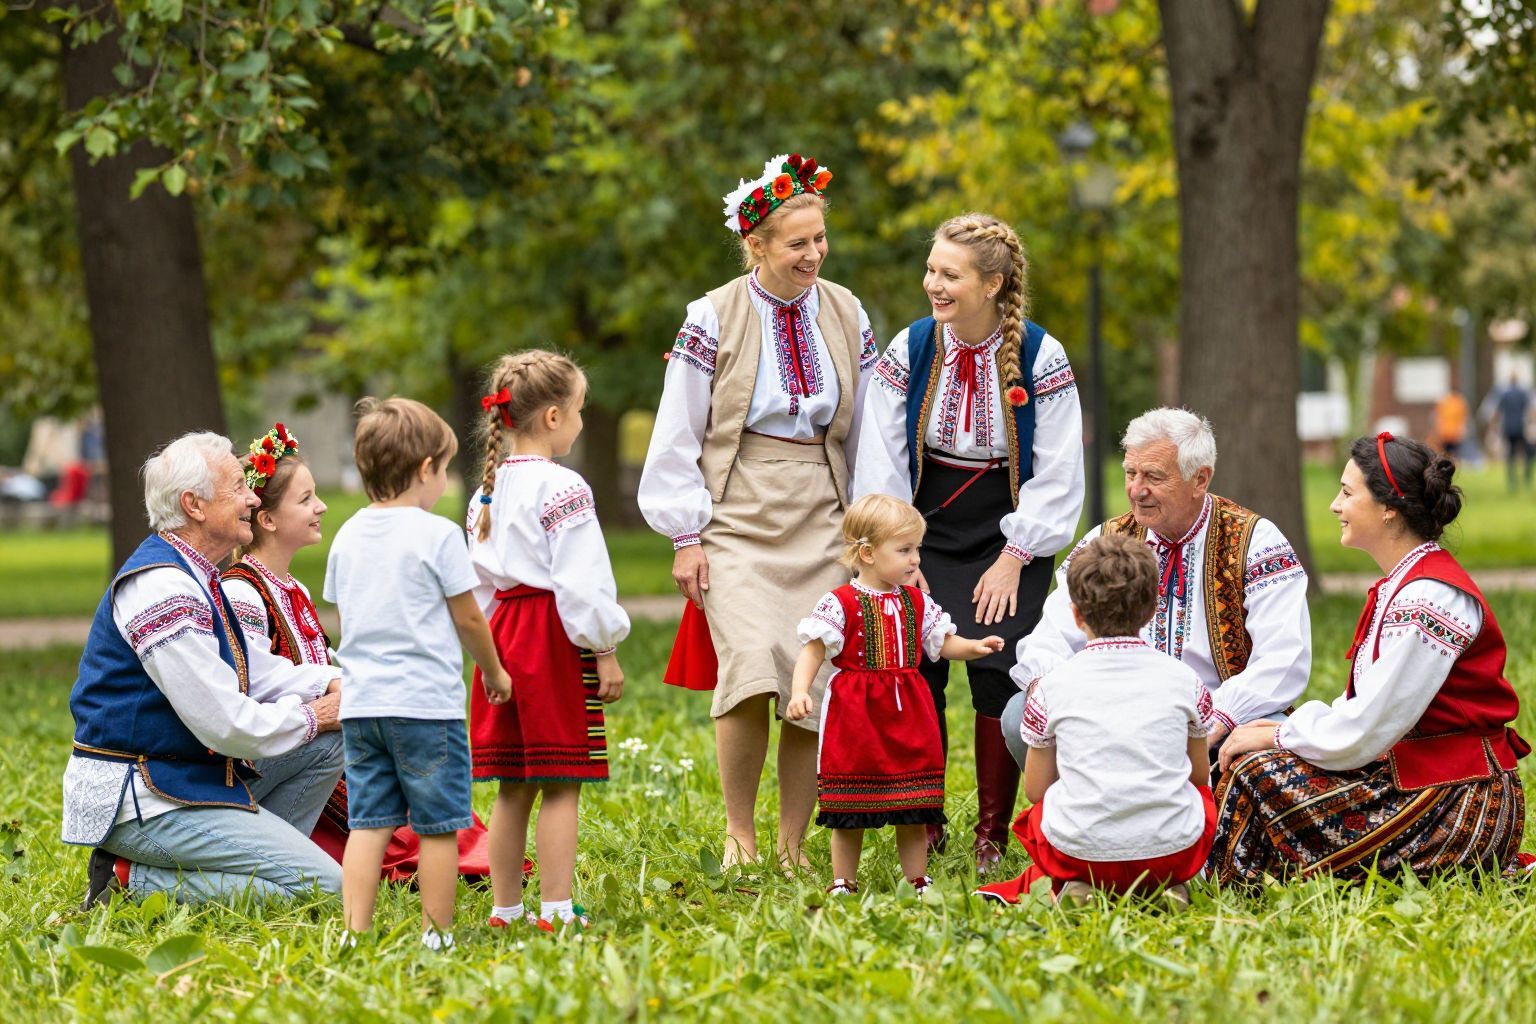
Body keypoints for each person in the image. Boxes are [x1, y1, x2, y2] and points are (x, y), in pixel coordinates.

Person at [638, 152, 878, 869]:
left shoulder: (847, 310)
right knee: (747, 665)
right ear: (757, 245)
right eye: (796, 242)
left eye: (820, 239)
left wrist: (870, 524)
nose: (813, 254)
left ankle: (792, 843)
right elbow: (677, 431)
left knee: (814, 672)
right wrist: (686, 534)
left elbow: (868, 429)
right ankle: (739, 835)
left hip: (823, 509)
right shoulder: (712, 315)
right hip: (737, 508)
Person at [854, 212, 1084, 871]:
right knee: (917, 667)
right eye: (931, 270)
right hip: (922, 528)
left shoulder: (1041, 355)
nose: (933, 284)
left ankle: (991, 835)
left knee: (996, 666)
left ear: (991, 284)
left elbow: (1059, 472)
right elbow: (881, 457)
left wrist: (1015, 557)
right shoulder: (912, 347)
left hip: (1009, 531)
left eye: (949, 275)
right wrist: (901, 553)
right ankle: (925, 822)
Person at [1211, 434, 1528, 882]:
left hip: (1458, 800)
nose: (1334, 505)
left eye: (1346, 492)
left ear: (1388, 509)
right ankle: (1224, 875)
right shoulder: (1406, 584)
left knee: (1256, 771)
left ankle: (1212, 877)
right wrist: (1279, 733)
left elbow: (1364, 730)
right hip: (1415, 777)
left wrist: (1280, 734)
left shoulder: (1430, 598)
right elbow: (1360, 713)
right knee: (1252, 765)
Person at [63, 432, 344, 906]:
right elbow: (226, 724)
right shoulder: (161, 587)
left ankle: (272, 860)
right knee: (329, 889)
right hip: (143, 799)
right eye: (237, 487)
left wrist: (334, 683)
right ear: (193, 505)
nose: (252, 498)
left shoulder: (197, 574)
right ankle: (128, 881)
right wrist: (320, 713)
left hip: (183, 781)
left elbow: (256, 670)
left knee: (331, 742)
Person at [222, 422, 496, 881]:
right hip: (282, 751)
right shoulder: (242, 592)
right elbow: (249, 687)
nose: (321, 506)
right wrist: (334, 691)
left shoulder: (292, 587)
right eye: (306, 499)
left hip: (320, 740)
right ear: (267, 520)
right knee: (400, 819)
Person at [1010, 408, 1310, 764]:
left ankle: (1209, 800)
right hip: (1117, 713)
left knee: (1272, 743)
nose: (1137, 490)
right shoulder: (1106, 541)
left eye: (1153, 476)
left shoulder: (1255, 541)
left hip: (1224, 714)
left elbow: (1284, 658)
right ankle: (1086, 800)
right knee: (1019, 716)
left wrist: (1213, 717)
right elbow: (1051, 637)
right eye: (1130, 473)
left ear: (1200, 479)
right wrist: (1051, 691)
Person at [324, 397, 512, 950]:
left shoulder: (347, 535)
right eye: (445, 468)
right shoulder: (437, 535)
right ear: (426, 468)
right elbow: (469, 617)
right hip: (425, 708)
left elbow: (347, 616)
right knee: (437, 826)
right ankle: (436, 935)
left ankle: (354, 934)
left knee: (369, 825)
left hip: (362, 709)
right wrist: (494, 671)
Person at [466, 350, 629, 932]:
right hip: (551, 639)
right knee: (562, 782)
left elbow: (478, 588)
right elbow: (582, 582)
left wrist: (489, 659)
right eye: (580, 410)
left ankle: (505, 910)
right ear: (554, 416)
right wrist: (604, 650)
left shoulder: (484, 494)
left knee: (513, 786)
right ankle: (557, 910)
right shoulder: (564, 487)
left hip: (502, 638)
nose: (582, 422)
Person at [975, 535, 1216, 906]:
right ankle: (1166, 885)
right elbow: (1198, 777)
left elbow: (1037, 791)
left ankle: (1082, 884)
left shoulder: (1051, 687)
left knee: (1040, 813)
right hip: (1172, 853)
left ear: (1076, 615)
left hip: (1079, 852)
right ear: (1152, 611)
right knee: (1201, 798)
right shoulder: (1187, 681)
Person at [786, 495, 1003, 896]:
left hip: (909, 714)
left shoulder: (916, 601)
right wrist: (800, 691)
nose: (915, 559)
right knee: (850, 807)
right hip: (856, 715)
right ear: (867, 553)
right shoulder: (841, 602)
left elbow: (943, 642)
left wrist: (974, 647)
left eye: (917, 549)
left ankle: (916, 878)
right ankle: (843, 880)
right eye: (904, 550)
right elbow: (813, 650)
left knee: (912, 806)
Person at [1484, 374, 1533, 491]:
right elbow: (1530, 410)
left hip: (1508, 428)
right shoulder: (1522, 393)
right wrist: (1531, 424)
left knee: (1511, 454)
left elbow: (1497, 412)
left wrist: (1492, 428)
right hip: (1521, 427)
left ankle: (1512, 481)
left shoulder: (1505, 394)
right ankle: (1526, 476)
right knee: (1528, 452)